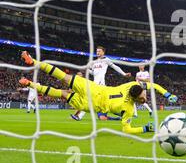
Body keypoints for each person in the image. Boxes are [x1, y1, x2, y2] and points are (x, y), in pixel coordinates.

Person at [19, 51, 177, 134]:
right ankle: (31, 80)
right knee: (63, 92)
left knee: (64, 80)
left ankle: (34, 64)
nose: (145, 96)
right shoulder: (128, 109)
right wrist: (145, 129)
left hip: (94, 89)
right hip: (93, 103)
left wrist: (167, 94)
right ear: (138, 99)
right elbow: (127, 129)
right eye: (144, 96)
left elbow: (154, 86)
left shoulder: (131, 85)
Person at [71, 46, 131, 121]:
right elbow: (93, 73)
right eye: (97, 51)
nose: (98, 53)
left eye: (99, 51)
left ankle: (79, 116)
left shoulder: (106, 60)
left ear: (103, 52)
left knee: (90, 100)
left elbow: (115, 67)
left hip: (101, 85)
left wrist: (124, 74)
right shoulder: (94, 62)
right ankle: (119, 114)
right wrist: (86, 70)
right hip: (94, 84)